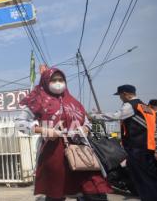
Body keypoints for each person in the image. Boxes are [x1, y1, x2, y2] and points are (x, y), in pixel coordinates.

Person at [16, 67, 111, 201]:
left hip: (81, 151)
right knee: (56, 191)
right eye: (53, 80)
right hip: (54, 152)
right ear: (45, 82)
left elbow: (87, 122)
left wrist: (85, 129)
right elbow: (19, 123)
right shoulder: (37, 101)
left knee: (94, 189)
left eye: (61, 79)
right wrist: (44, 130)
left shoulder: (74, 102)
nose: (58, 82)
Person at [93, 85, 157, 201]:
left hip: (137, 147)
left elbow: (116, 116)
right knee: (149, 175)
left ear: (126, 94)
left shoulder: (131, 105)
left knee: (141, 178)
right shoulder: (146, 107)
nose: (120, 98)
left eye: (120, 95)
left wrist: (95, 115)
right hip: (149, 146)